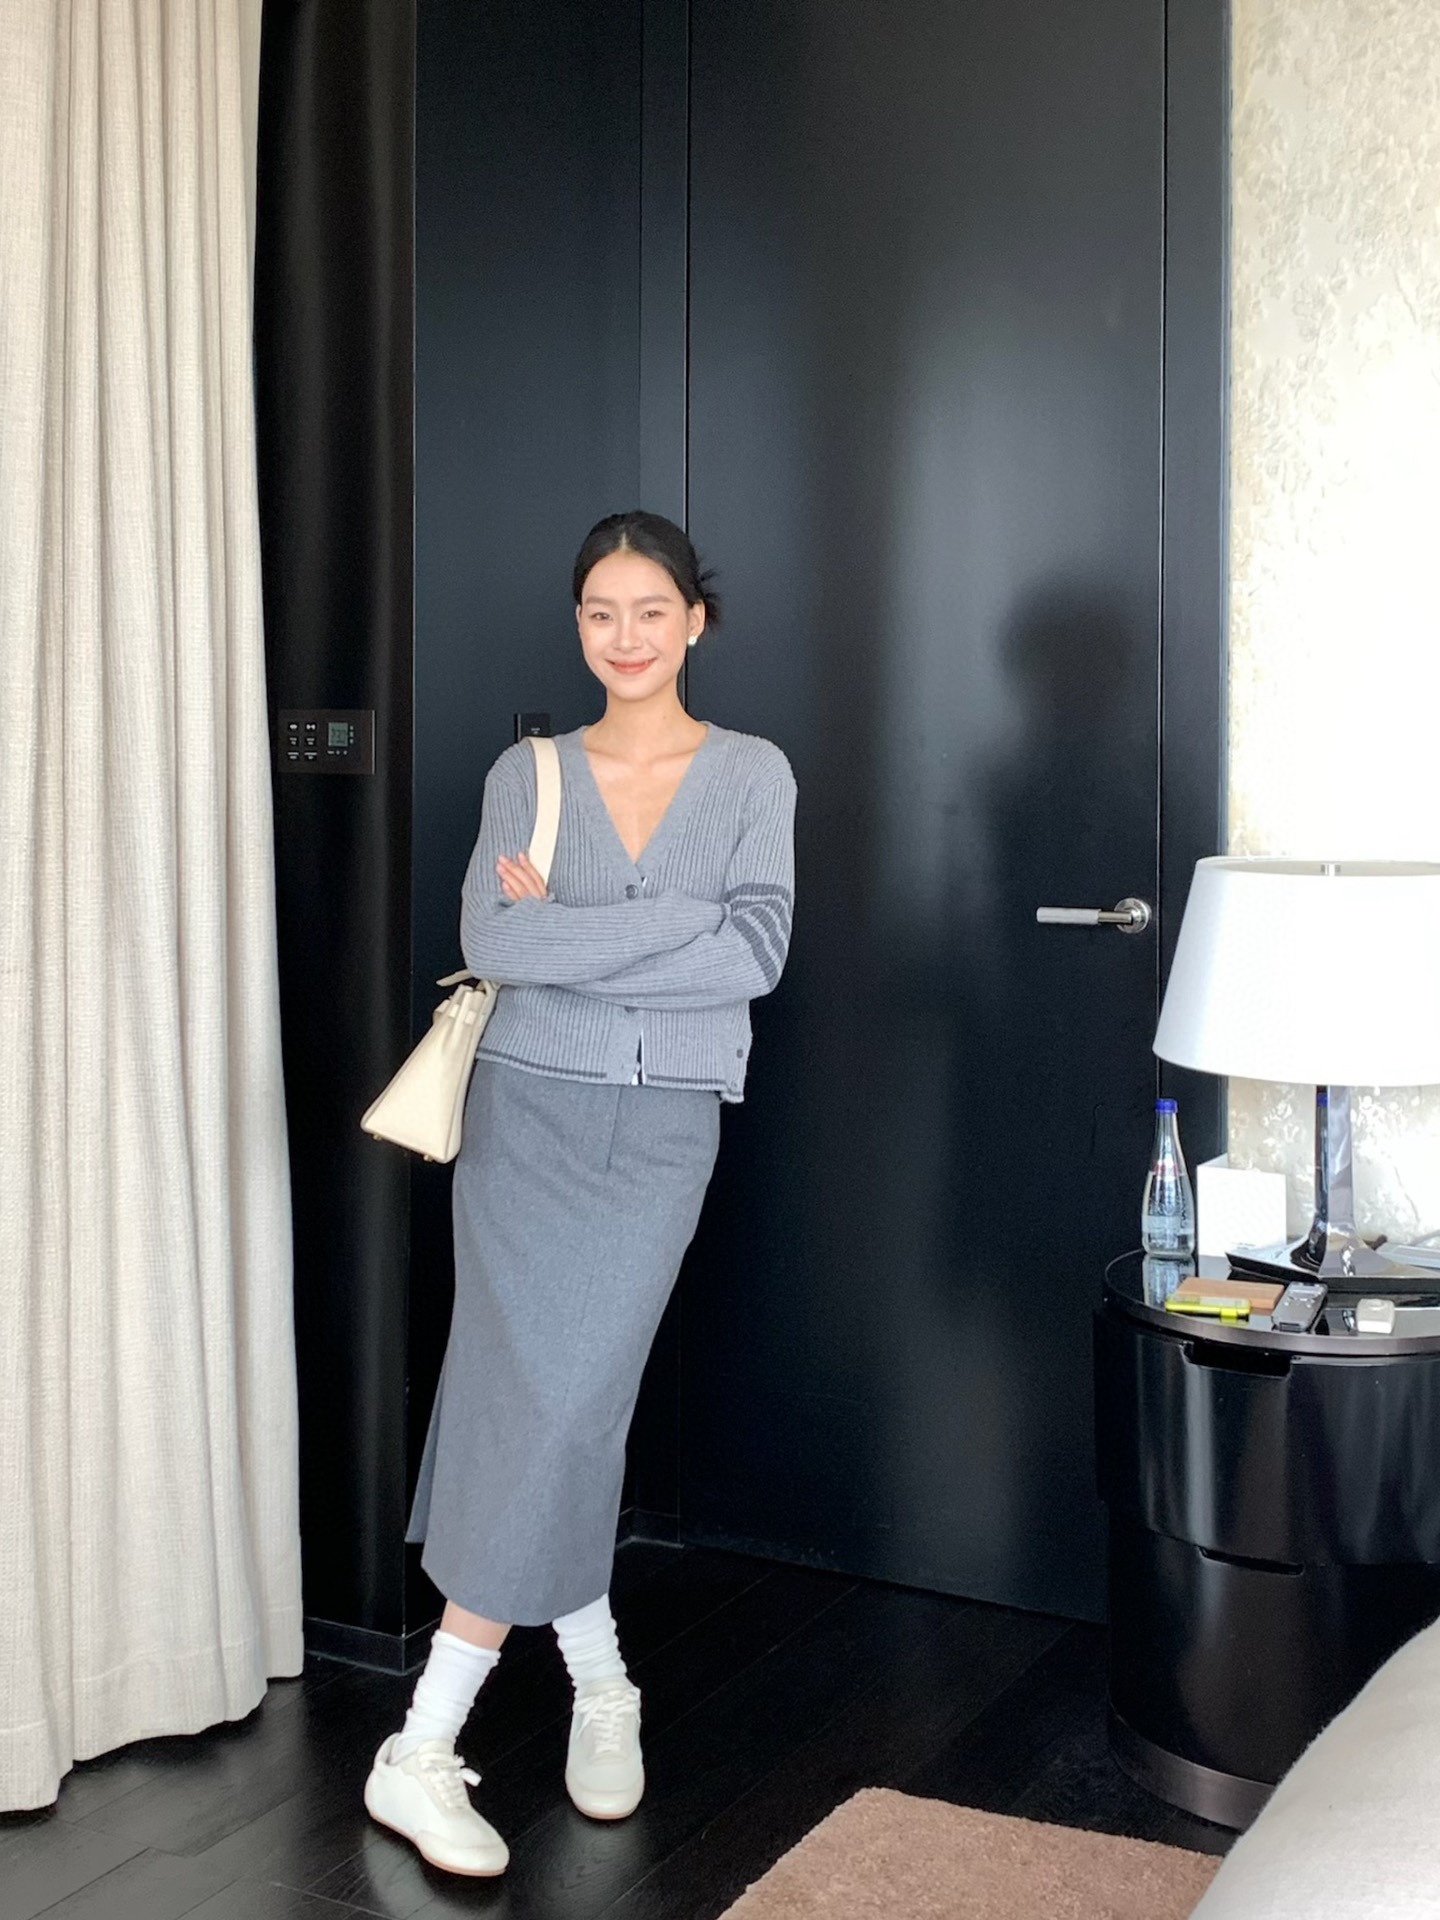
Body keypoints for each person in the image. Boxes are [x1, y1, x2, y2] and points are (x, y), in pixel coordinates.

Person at [363, 510, 797, 1876]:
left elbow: (755, 952)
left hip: (666, 1128)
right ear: (580, 624)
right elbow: (493, 938)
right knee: (533, 1400)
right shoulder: (532, 771)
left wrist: (576, 929)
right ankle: (464, 1734)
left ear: (695, 621)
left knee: (573, 1399)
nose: (626, 637)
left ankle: (530, 1700)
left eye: (651, 611)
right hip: (527, 1120)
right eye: (602, 613)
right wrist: (666, 923)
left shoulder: (753, 773)